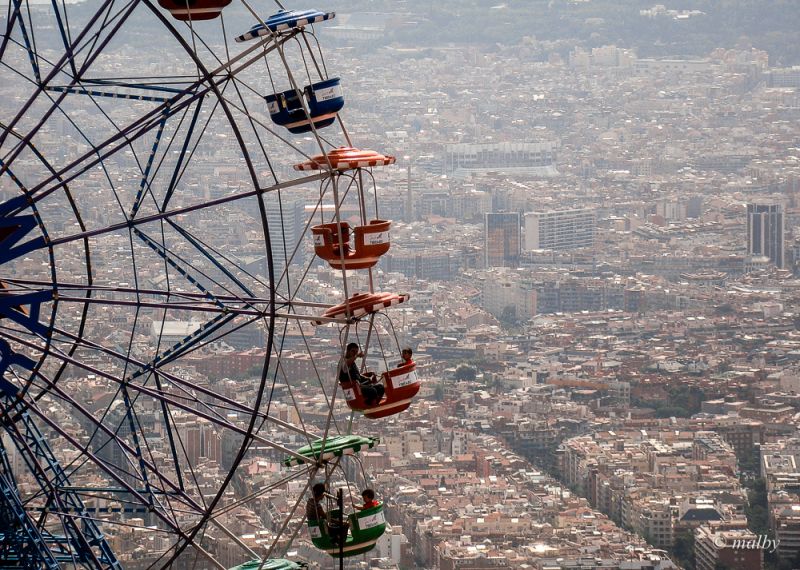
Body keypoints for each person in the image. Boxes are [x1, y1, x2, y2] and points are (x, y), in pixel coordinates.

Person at [340, 342, 385, 406]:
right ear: (347, 351)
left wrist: (367, 378)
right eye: (353, 351)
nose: (354, 353)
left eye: (356, 352)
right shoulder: (344, 362)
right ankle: (371, 405)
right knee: (372, 391)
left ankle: (375, 403)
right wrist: (357, 355)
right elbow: (346, 365)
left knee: (380, 387)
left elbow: (357, 375)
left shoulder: (352, 362)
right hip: (354, 389)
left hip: (358, 385)